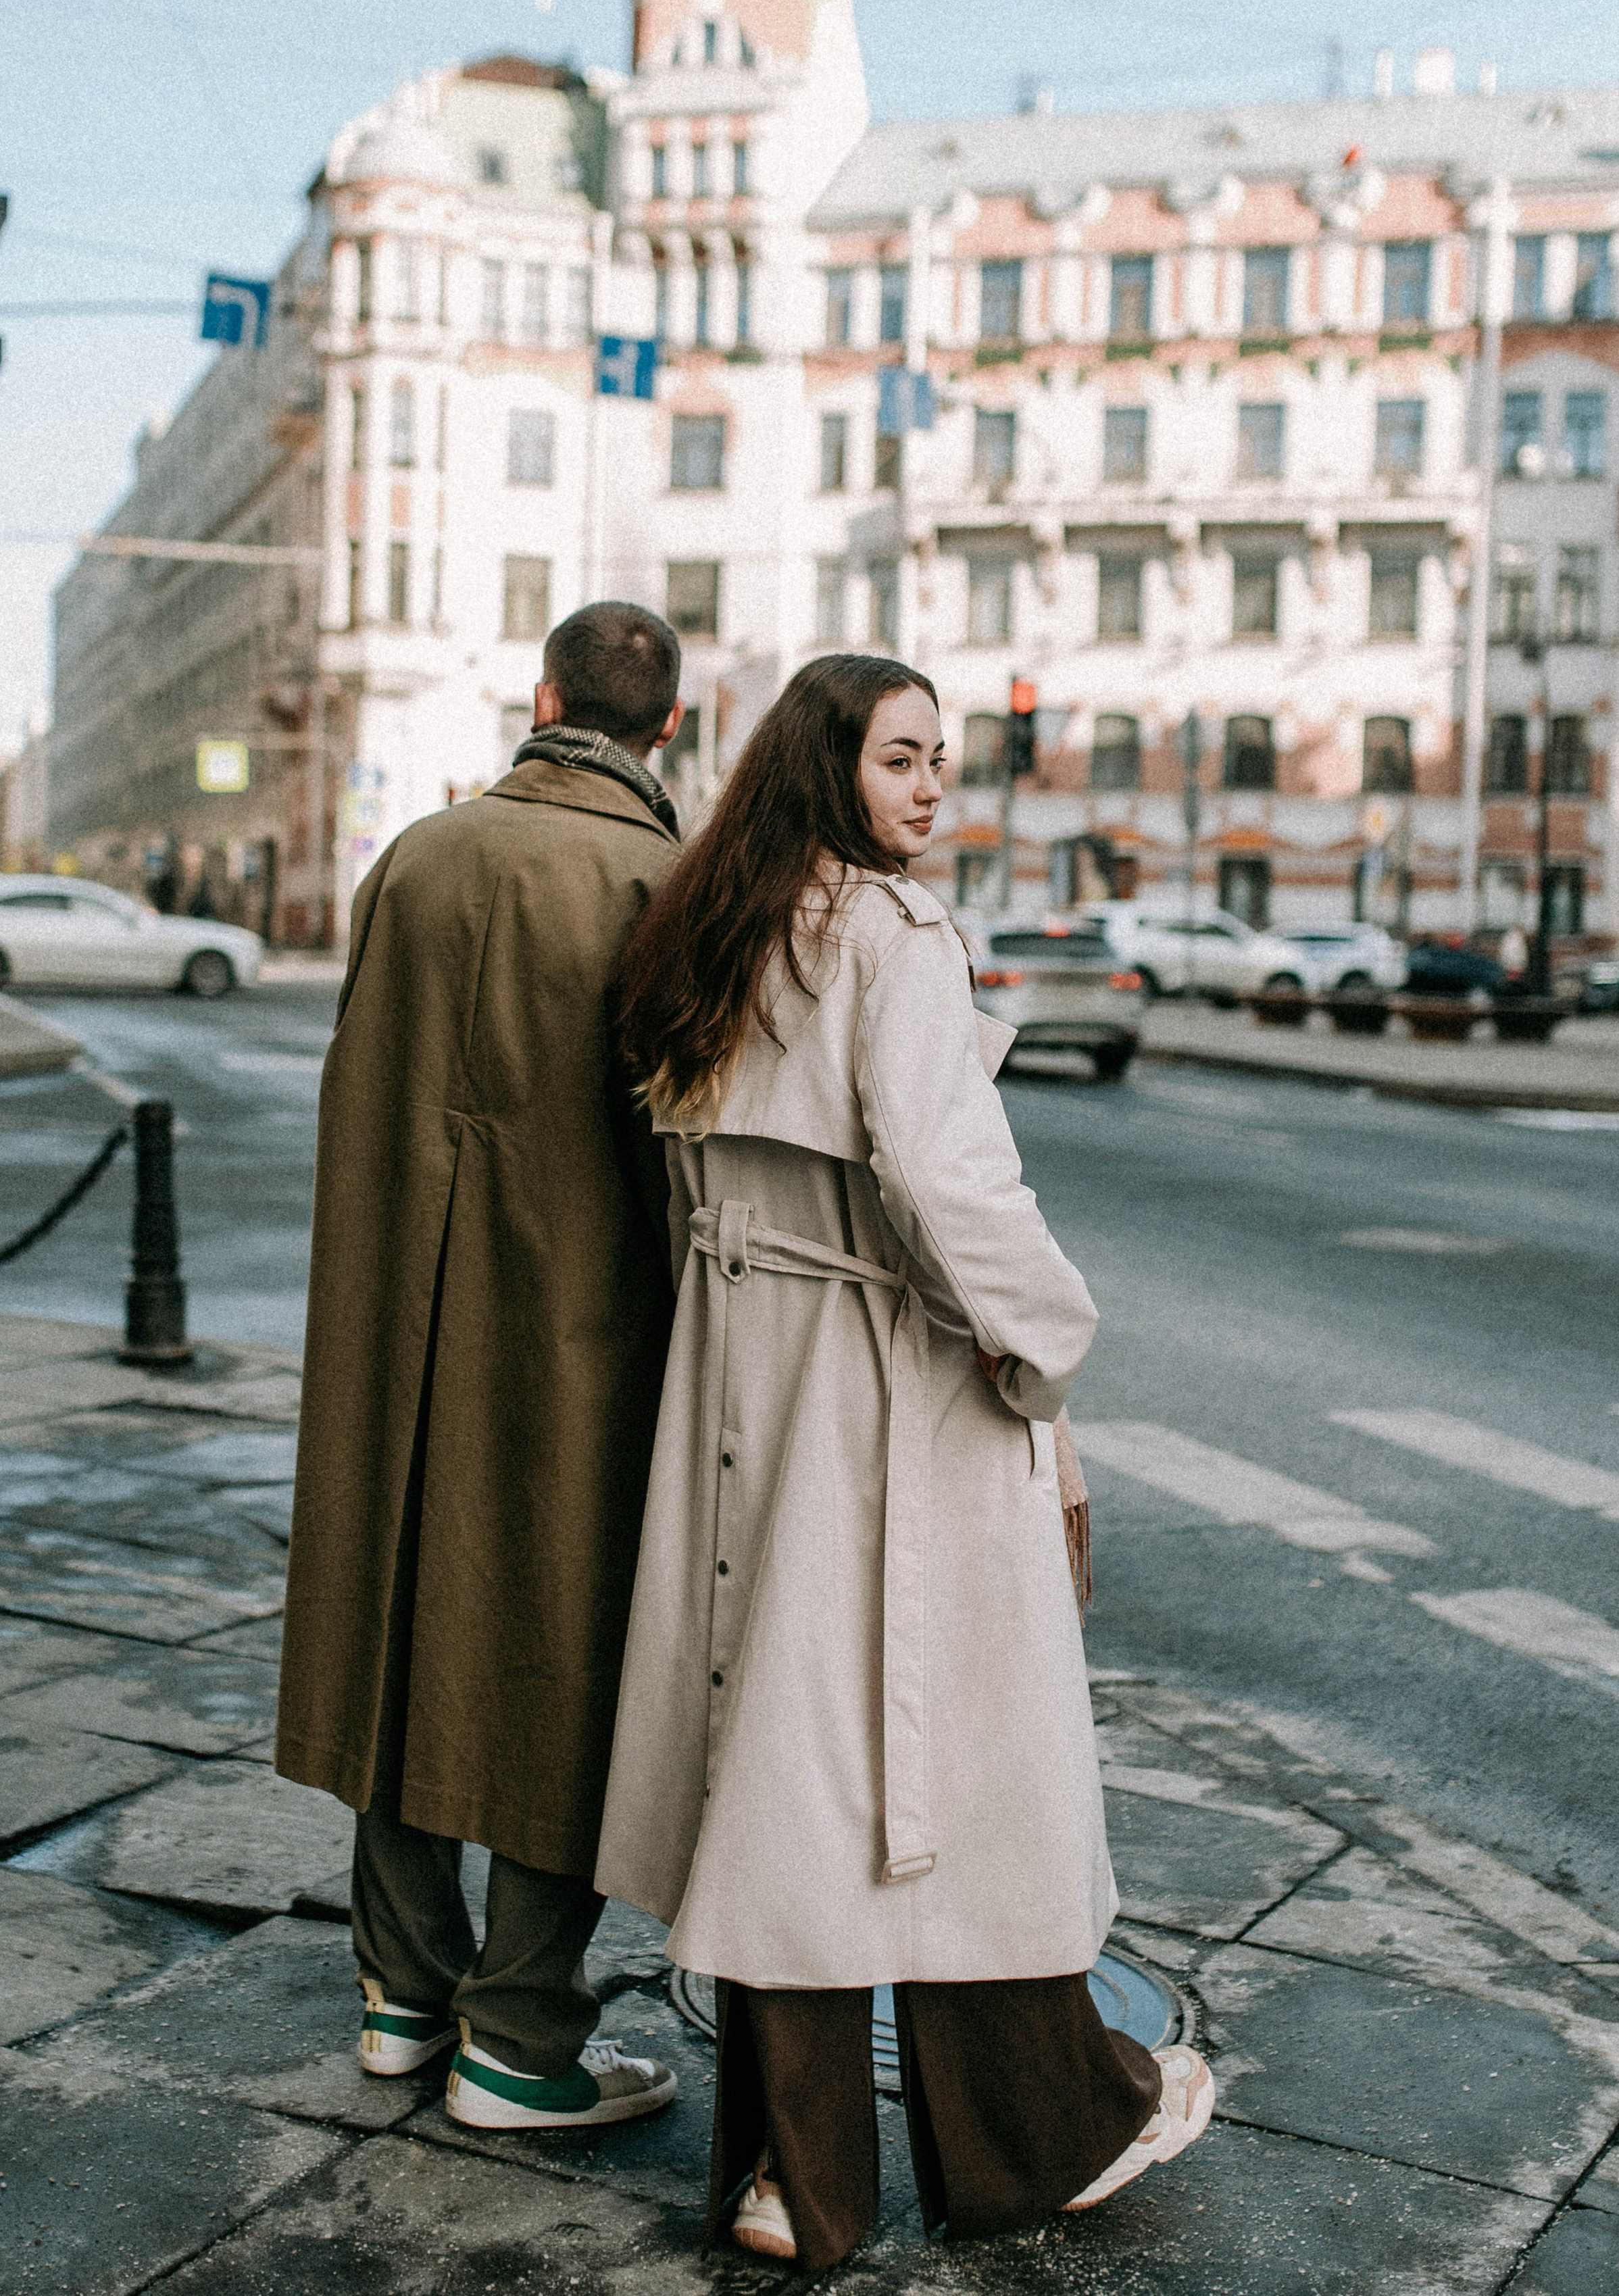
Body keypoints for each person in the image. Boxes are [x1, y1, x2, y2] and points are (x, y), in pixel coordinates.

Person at [597, 653, 1214, 2267]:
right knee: (953, 1770)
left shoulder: (712, 927)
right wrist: (1045, 1345)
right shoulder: (891, 935)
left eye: (943, 757)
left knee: (789, 1768)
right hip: (886, 1390)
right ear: (826, 769)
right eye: (898, 758)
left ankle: (792, 2174)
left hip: (746, 1378)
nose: (932, 786)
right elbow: (949, 1187)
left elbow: (688, 1184)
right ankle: (1031, 2125)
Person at [276, 601, 687, 2134]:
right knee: (555, 1657)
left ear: (541, 698)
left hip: (392, 1316)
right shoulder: (659, 879)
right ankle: (518, 2037)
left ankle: (400, 1995)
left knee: (392, 1618)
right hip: (579, 1333)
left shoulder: (418, 858)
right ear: (665, 729)